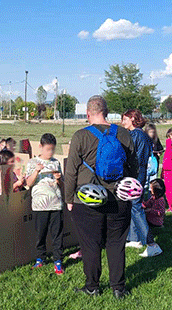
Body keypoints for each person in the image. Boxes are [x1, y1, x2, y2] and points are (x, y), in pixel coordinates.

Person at [64, 95, 138, 299]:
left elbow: (70, 172)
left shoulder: (80, 136)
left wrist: (69, 199)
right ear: (106, 112)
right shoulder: (123, 134)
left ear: (88, 114)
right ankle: (118, 288)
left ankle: (92, 287)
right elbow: (134, 166)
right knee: (116, 243)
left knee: (90, 245)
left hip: (87, 199)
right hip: (119, 198)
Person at [120, 109, 161, 257]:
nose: (122, 122)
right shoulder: (141, 134)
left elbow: (130, 156)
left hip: (135, 173)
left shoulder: (135, 135)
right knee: (133, 205)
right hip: (139, 172)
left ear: (133, 119)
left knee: (136, 207)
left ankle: (151, 244)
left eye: (125, 119)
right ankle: (134, 238)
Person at [25, 133, 64, 274]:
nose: (50, 152)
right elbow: (28, 183)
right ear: (40, 147)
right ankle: (40, 258)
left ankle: (58, 261)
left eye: (52, 149)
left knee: (57, 234)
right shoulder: (32, 163)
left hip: (56, 203)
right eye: (48, 149)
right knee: (40, 234)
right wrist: (36, 171)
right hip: (40, 205)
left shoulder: (56, 163)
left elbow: (61, 185)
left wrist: (59, 179)